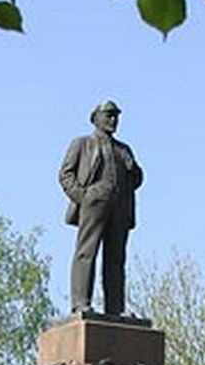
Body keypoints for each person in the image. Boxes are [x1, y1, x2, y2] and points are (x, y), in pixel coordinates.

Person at [58, 99, 143, 316]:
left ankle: (115, 309)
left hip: (120, 205)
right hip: (94, 201)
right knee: (87, 252)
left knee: (116, 258)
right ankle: (80, 303)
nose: (113, 120)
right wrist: (83, 197)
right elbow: (65, 174)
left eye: (115, 116)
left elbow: (137, 179)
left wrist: (134, 171)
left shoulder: (124, 149)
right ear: (96, 118)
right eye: (108, 115)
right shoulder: (82, 144)